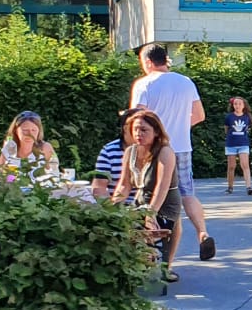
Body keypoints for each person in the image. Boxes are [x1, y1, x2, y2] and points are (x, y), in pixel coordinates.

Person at [130, 44, 215, 260]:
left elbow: (137, 118)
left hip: (155, 149)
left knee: (152, 192)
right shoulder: (185, 82)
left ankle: (152, 250)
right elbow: (199, 115)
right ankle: (202, 232)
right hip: (182, 147)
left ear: (148, 62)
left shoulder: (144, 84)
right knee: (186, 193)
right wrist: (180, 126)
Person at [114, 108, 182, 280]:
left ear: (156, 131)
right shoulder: (130, 152)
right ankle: (142, 262)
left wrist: (150, 214)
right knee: (120, 224)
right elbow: (124, 185)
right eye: (135, 129)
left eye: (144, 130)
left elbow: (162, 186)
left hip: (165, 203)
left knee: (149, 227)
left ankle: (163, 265)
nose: (139, 134)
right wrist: (112, 206)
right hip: (141, 200)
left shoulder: (165, 152)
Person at [0, 111, 63, 187]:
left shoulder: (45, 148)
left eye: (34, 130)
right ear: (15, 130)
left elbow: (54, 175)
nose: (30, 134)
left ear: (39, 131)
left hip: (40, 191)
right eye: (25, 130)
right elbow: (2, 175)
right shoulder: (9, 147)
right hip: (14, 191)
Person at [92, 109, 137, 203]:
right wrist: (110, 208)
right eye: (136, 128)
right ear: (126, 128)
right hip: (118, 204)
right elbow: (99, 187)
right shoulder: (109, 151)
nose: (139, 133)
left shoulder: (155, 151)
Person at [223, 95, 252, 194]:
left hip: (243, 144)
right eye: (235, 104)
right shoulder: (229, 117)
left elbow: (248, 128)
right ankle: (230, 187)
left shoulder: (247, 117)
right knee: (231, 166)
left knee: (245, 165)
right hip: (231, 144)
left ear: (244, 105)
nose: (237, 106)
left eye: (239, 104)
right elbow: (226, 129)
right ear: (233, 105)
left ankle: (249, 187)